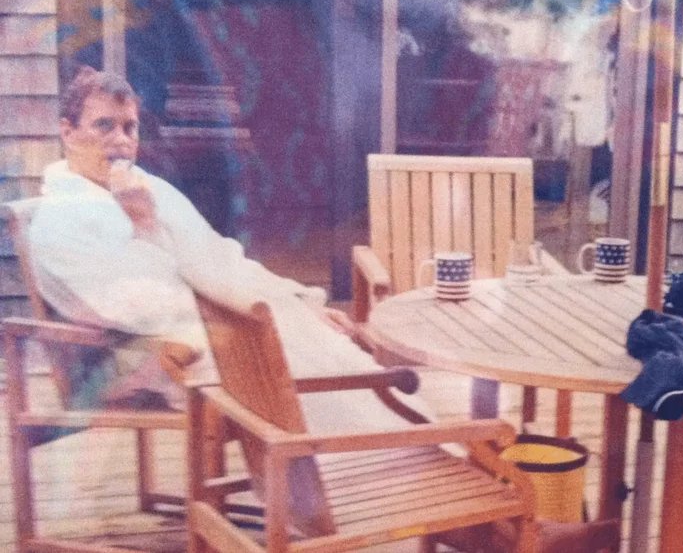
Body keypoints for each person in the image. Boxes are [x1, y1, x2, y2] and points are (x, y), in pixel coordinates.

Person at [28, 66, 430, 428]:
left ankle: (409, 450)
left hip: (213, 328)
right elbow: (139, 307)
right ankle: (348, 469)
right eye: (104, 126)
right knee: (295, 361)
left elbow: (219, 259)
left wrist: (296, 302)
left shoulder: (150, 189)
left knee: (327, 341)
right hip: (153, 356)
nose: (121, 141)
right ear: (68, 132)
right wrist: (144, 227)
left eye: (130, 128)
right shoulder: (60, 219)